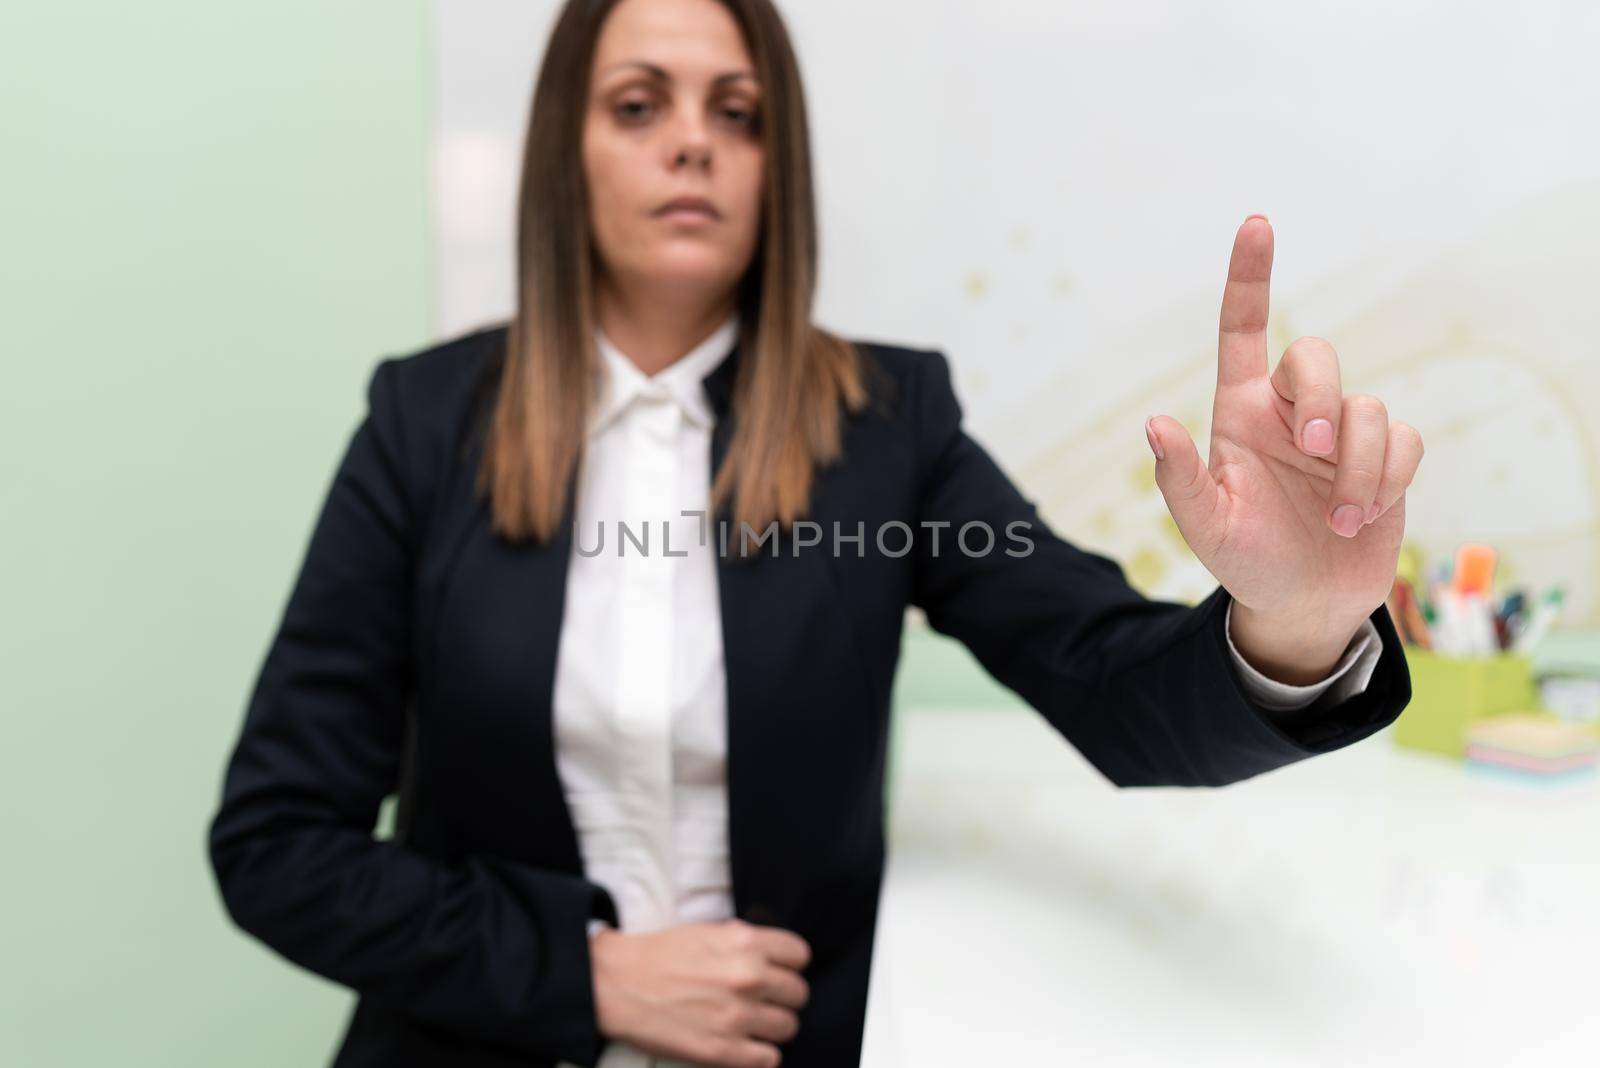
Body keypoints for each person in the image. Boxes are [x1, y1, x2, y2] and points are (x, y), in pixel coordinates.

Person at [205, 0, 1423, 1066]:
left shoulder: (887, 428)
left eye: (737, 112)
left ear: (776, 165)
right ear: (560, 159)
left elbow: (1105, 678)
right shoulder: (423, 425)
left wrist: (1296, 624)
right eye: (637, 105)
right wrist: (584, 974)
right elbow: (277, 845)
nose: (691, 140)